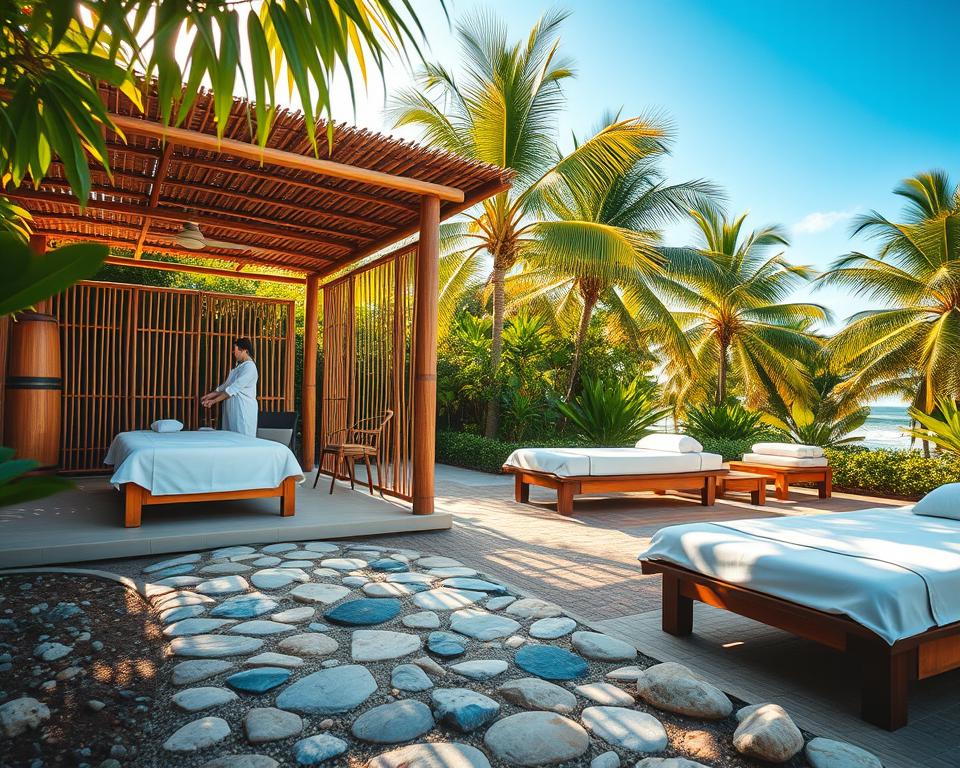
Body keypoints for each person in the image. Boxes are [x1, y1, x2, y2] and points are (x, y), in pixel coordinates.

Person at [201, 338, 259, 437]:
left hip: (243, 410)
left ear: (244, 350)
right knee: (230, 438)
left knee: (242, 438)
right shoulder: (239, 367)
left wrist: (213, 401)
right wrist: (210, 395)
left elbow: (232, 389)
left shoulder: (249, 367)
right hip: (232, 410)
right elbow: (226, 386)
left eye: (235, 349)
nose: (233, 352)